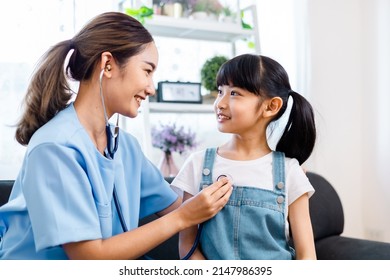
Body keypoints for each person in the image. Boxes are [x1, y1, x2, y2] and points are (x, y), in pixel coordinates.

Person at [0, 12, 233, 260]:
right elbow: (89, 257)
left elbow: (177, 206)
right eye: (147, 71)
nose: (152, 87)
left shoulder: (125, 148)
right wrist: (183, 217)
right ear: (108, 64)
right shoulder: (54, 148)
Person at [173, 54, 317, 260]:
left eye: (234, 93)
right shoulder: (197, 164)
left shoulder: (290, 171)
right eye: (220, 91)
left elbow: (307, 257)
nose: (220, 103)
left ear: (271, 106)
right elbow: (187, 245)